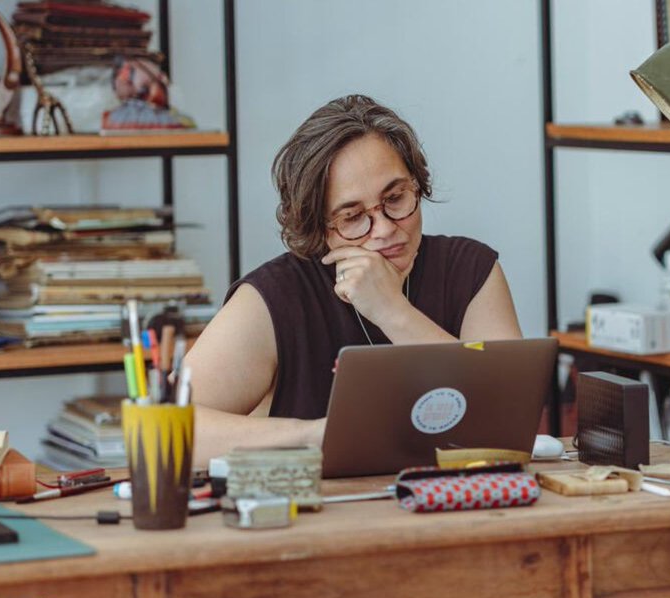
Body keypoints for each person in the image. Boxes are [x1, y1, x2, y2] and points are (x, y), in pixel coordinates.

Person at [186, 95, 523, 464]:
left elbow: (508, 420)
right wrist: (317, 434)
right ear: (318, 228)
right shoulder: (274, 297)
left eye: (395, 198)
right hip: (321, 515)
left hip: (459, 509)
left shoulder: (470, 270)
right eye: (352, 217)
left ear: (417, 185)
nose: (383, 229)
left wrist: (392, 310)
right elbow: (172, 428)